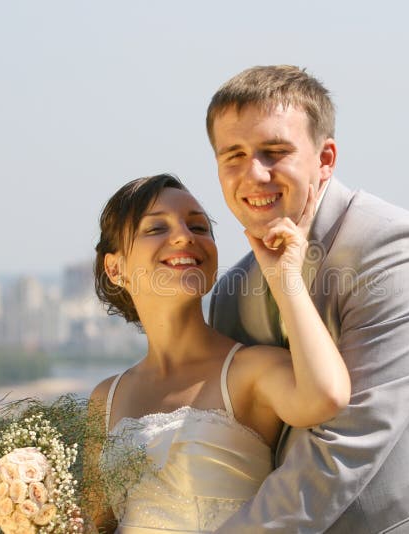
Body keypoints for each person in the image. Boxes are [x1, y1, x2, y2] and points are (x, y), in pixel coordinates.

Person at [207, 65, 409, 533]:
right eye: (232, 155)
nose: (254, 173)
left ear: (326, 159)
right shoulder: (230, 295)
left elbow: (345, 443)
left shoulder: (398, 252)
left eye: (274, 151)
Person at [87, 173, 351, 533]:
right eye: (156, 229)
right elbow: (94, 525)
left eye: (198, 227)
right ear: (115, 268)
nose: (184, 236)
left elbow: (328, 395)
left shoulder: (249, 371)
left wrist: (283, 277)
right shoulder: (105, 398)